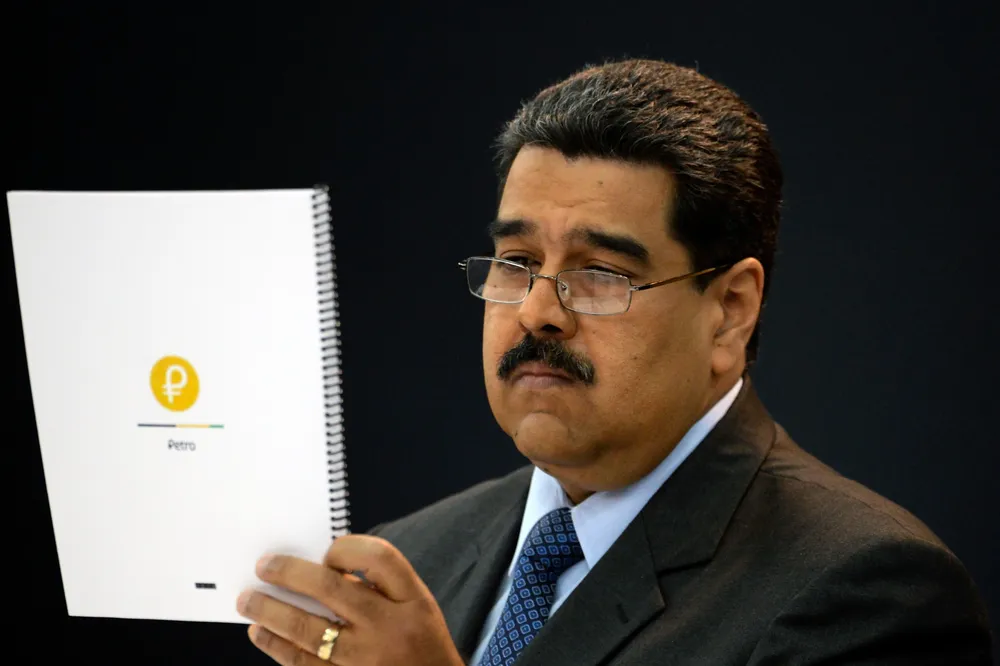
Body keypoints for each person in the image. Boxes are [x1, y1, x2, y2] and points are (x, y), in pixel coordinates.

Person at [234, 59, 993, 665]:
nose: (537, 310)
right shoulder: (408, 558)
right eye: (517, 261)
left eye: (601, 273)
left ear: (730, 310)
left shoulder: (865, 591)